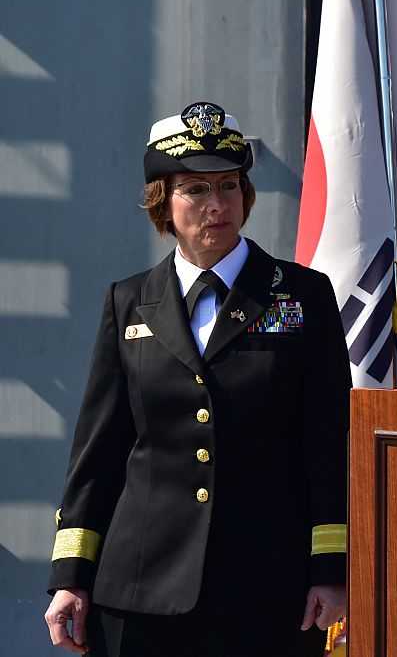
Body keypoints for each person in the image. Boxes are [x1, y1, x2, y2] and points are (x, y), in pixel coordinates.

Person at [43, 102, 351, 656]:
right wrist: (70, 575)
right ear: (163, 201)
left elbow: (327, 444)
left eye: (228, 187)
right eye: (196, 190)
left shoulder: (304, 297)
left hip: (265, 589)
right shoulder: (130, 301)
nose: (217, 206)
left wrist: (330, 569)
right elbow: (99, 450)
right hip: (140, 591)